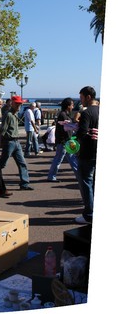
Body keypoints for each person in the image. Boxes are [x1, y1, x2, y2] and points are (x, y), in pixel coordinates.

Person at [73, 86, 99, 224]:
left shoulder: (87, 112)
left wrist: (75, 130)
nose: (80, 100)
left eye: (81, 97)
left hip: (87, 152)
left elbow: (81, 133)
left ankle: (89, 214)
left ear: (88, 97)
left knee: (86, 183)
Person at [0, 98, 34, 191]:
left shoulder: (15, 115)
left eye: (20, 105)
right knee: (2, 163)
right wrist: (0, 141)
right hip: (9, 142)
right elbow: (3, 129)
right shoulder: (8, 115)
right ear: (12, 104)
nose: (19, 106)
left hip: (16, 142)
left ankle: (24, 184)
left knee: (22, 163)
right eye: (17, 104)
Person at [47, 97, 79, 183]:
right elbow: (66, 128)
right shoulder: (63, 115)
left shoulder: (64, 114)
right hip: (64, 141)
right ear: (68, 106)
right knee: (61, 159)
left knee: (70, 159)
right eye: (72, 105)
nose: (73, 106)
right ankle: (51, 176)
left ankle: (79, 175)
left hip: (65, 141)